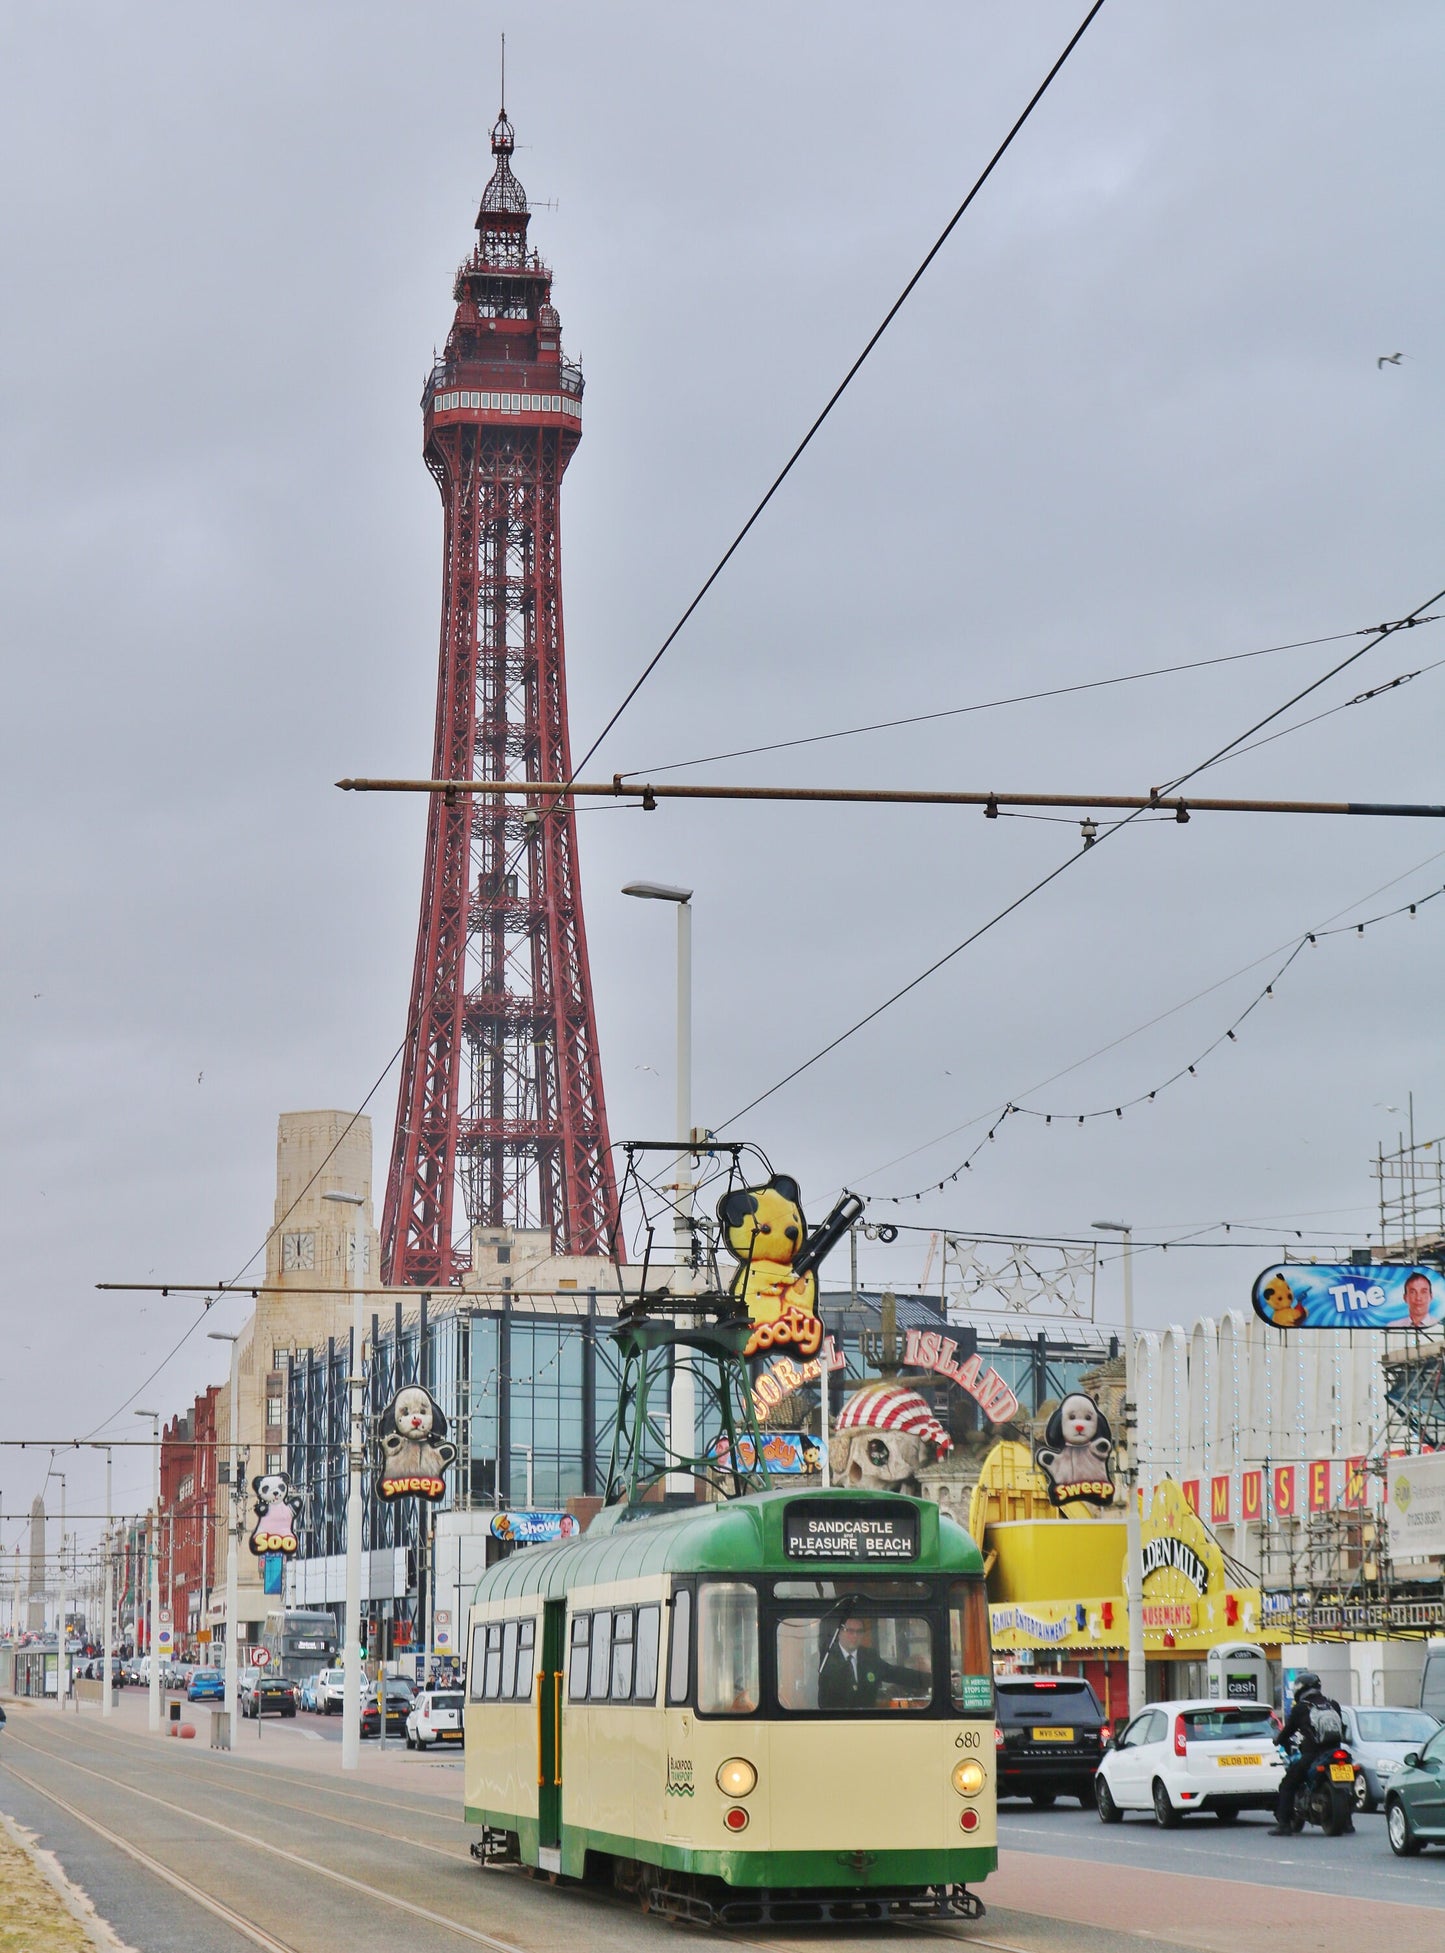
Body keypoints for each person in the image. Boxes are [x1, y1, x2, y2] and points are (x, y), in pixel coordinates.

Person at [1269, 1670, 1352, 1835]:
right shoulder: (1332, 1704)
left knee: (1288, 1784)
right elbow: (1342, 1728)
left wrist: (1278, 1740)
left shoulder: (1301, 1708)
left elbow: (1288, 1731)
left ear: (1301, 1689)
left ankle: (1284, 1824)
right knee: (1345, 1787)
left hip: (1313, 1755)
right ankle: (1348, 1823)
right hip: (1337, 1753)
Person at [817, 1615, 929, 1711]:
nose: (855, 1636)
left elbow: (895, 1673)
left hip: (868, 1722)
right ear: (839, 1633)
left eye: (859, 1632)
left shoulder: (870, 1657)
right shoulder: (825, 1658)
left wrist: (931, 1679)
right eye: (850, 1631)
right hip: (835, 1724)